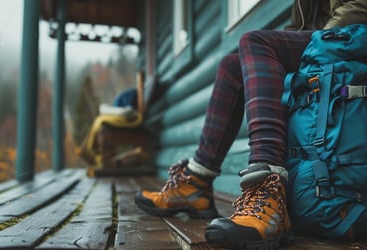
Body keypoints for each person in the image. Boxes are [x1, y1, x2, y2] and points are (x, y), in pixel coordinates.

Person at [135, 1, 367, 249]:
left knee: (255, 42)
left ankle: (268, 186)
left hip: (352, 35)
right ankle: (196, 181)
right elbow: (298, 25)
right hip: (331, 43)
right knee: (231, 65)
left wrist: (319, 46)